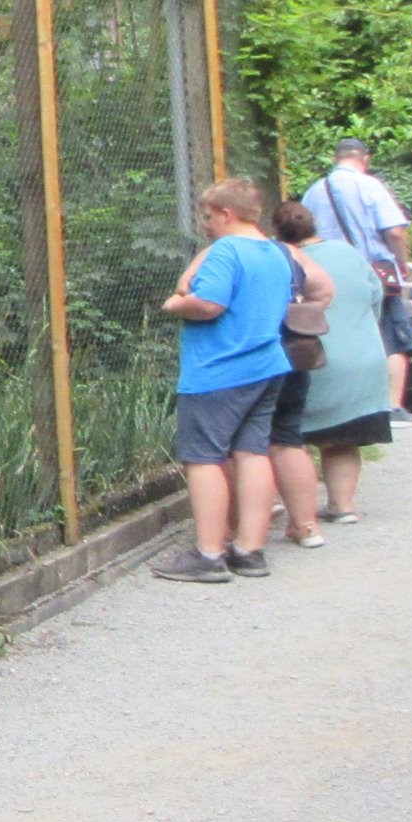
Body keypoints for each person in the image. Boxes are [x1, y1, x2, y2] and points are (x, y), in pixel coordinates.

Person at [153, 177, 291, 585]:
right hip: (265, 366)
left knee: (203, 458)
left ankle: (209, 555)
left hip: (218, 369)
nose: (205, 225)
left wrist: (175, 304)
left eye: (209, 217)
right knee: (252, 453)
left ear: (227, 214)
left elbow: (209, 304)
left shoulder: (227, 250)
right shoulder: (275, 252)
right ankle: (250, 551)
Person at [302, 139, 412, 420]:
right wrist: (401, 265)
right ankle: (392, 407)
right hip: (372, 274)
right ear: (365, 159)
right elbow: (395, 232)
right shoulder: (370, 186)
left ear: (335, 158)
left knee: (341, 338)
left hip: (328, 277)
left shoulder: (314, 191)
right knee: (392, 338)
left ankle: (346, 407)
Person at [266, 200, 360, 546]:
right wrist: (300, 314)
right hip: (296, 354)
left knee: (247, 446)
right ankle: (306, 526)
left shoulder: (246, 252)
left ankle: (241, 534)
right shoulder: (294, 257)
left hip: (254, 360)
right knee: (288, 439)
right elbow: (325, 291)